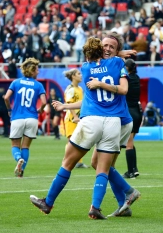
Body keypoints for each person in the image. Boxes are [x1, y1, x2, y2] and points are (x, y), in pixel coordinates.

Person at [30, 37, 140, 219]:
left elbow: (101, 70)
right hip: (114, 121)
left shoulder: (86, 68)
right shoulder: (118, 64)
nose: (108, 48)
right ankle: (101, 205)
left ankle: (48, 202)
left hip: (93, 119)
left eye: (111, 46)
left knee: (68, 162)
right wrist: (118, 54)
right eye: (105, 46)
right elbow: (114, 69)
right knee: (101, 167)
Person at [4, 58, 47, 177]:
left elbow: (6, 97)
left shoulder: (16, 82)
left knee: (15, 146)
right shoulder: (38, 85)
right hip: (32, 118)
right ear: (32, 71)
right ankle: (21, 172)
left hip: (17, 117)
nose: (38, 72)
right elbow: (44, 101)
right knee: (26, 146)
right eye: (37, 70)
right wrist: (40, 110)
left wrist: (9, 110)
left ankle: (18, 158)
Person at [63, 68, 88, 168]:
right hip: (71, 119)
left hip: (79, 118)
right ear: (73, 76)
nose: (81, 75)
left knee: (79, 140)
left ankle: (78, 162)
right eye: (78, 74)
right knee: (71, 141)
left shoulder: (80, 89)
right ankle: (68, 161)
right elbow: (69, 103)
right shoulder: (71, 89)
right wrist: (75, 117)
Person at [122, 59, 143, 179]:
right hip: (137, 112)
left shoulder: (127, 79)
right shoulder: (136, 78)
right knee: (131, 142)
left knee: (128, 144)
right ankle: (134, 169)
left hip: (129, 112)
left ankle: (130, 172)